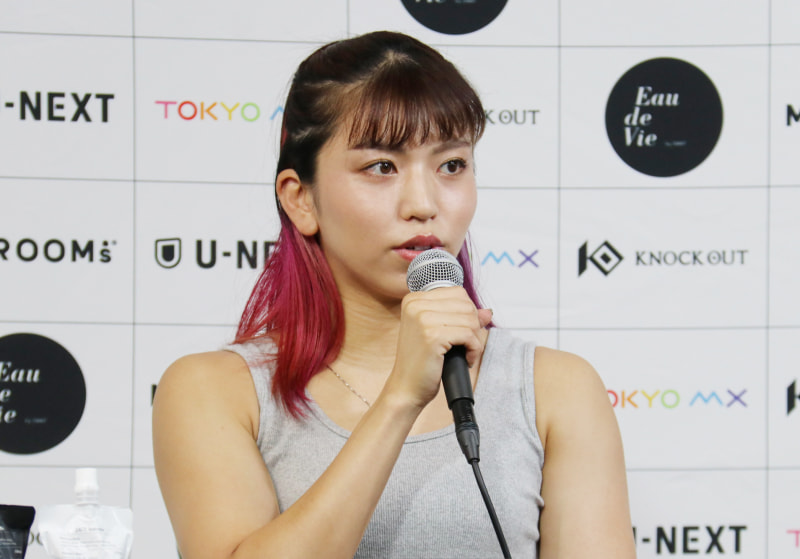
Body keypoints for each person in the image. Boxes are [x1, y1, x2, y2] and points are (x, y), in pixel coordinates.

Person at [152, 30, 635, 559]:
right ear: (301, 198)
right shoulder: (214, 391)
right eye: (381, 167)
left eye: (451, 165)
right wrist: (400, 398)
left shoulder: (555, 389)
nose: (423, 204)